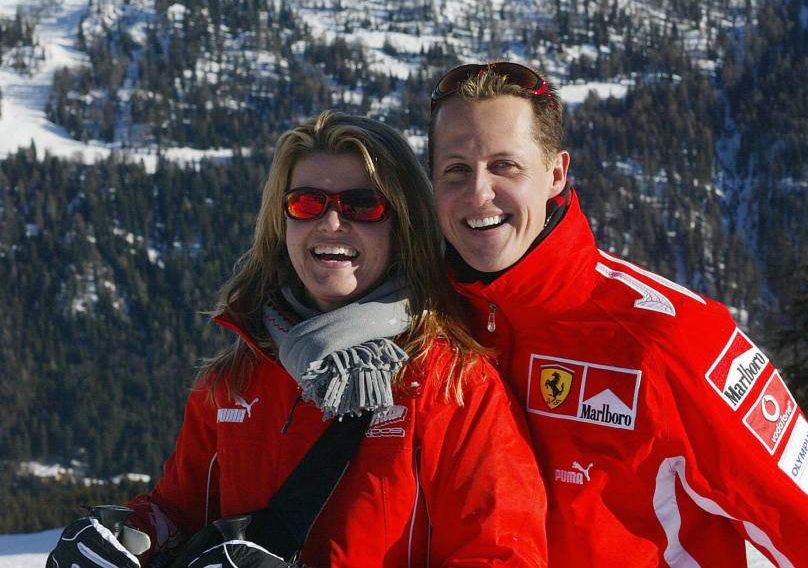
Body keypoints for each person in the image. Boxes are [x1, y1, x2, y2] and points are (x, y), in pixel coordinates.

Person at [428, 61, 808, 567]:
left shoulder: (671, 336)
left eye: (504, 166)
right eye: (455, 170)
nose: (478, 193)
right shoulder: (425, 324)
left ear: (556, 173)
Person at [47, 110, 548, 568]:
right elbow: (179, 512)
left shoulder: (451, 386)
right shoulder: (235, 379)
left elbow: (502, 557)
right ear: (281, 222)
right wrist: (126, 535)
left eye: (364, 206)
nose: (331, 223)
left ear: (404, 226)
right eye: (307, 203)